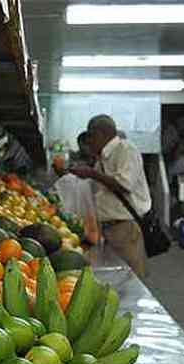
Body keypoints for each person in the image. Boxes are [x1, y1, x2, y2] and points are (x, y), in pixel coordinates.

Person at [70, 115, 151, 276]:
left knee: (130, 278)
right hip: (108, 230)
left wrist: (92, 173)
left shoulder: (126, 150)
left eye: (90, 137)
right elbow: (98, 190)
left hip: (125, 228)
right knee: (116, 278)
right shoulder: (102, 159)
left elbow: (123, 185)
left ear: (100, 134)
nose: (89, 142)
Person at [51, 133, 100, 245]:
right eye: (80, 146)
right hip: (84, 213)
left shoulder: (99, 161)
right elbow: (71, 177)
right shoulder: (77, 158)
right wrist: (61, 172)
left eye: (85, 146)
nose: (83, 149)